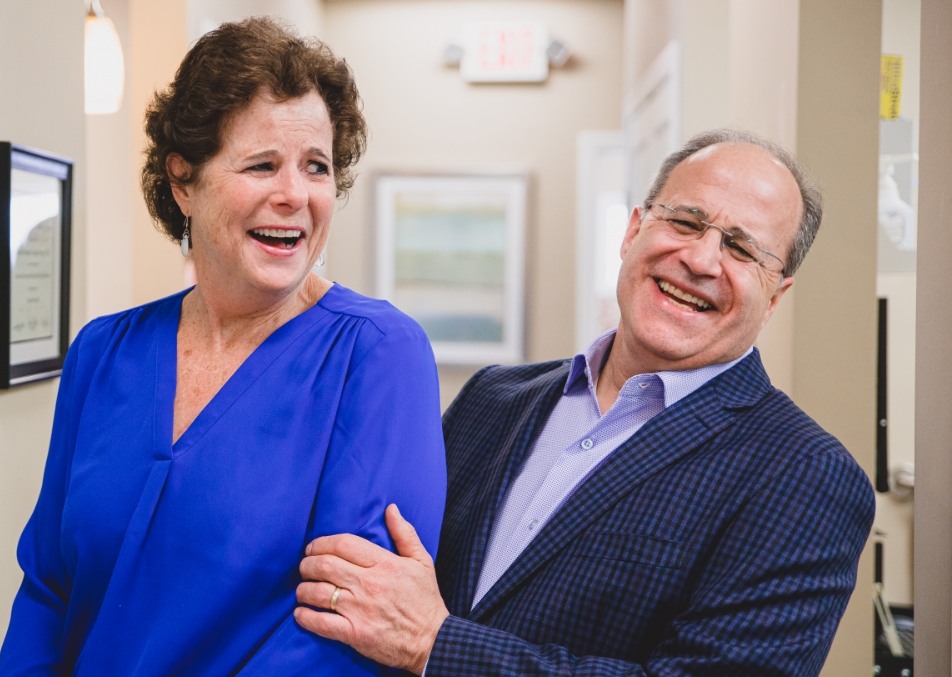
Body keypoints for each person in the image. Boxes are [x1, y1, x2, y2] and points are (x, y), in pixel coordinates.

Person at [294, 129, 876, 675]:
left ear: (776, 295)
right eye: (686, 221)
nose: (701, 260)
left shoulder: (806, 477)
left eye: (742, 250)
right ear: (633, 232)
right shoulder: (493, 399)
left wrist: (436, 645)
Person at [0, 17, 447, 676]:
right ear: (184, 181)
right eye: (262, 164)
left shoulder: (376, 356)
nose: (294, 195)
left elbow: (347, 633)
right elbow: (48, 588)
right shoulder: (102, 352)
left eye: (315, 167)